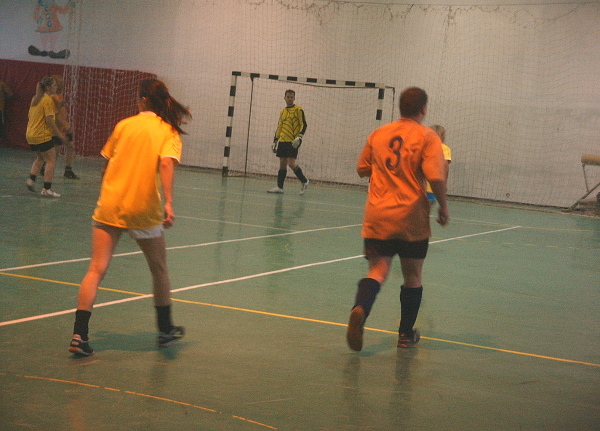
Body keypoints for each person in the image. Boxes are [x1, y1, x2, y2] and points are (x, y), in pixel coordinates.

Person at [68, 78, 191, 356]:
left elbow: (107, 164)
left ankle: (79, 335)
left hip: (110, 204)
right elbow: (166, 163)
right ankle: (165, 329)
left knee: (95, 270)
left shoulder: (123, 125)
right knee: (159, 269)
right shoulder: (168, 130)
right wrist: (169, 203)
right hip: (142, 208)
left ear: (143, 100)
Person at [346, 87, 449, 352]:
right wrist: (443, 207)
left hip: (378, 214)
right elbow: (436, 176)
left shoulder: (379, 134)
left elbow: (362, 169)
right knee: (412, 276)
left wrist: (385, 172)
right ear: (423, 109)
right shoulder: (428, 137)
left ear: (400, 108)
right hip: (411, 218)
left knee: (377, 271)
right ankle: (405, 335)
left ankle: (360, 308)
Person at [25, 76, 67, 198]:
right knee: (51, 160)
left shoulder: (35, 98)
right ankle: (47, 189)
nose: (56, 87)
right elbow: (49, 120)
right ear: (48, 88)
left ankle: (31, 180)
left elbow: (30, 116)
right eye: (54, 85)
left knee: (40, 158)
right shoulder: (47, 100)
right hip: (41, 135)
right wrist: (60, 134)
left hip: (30, 135)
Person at [268, 89, 309, 195]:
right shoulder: (283, 111)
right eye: (288, 97)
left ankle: (304, 181)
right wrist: (275, 140)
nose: (289, 99)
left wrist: (299, 137)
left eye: (291, 97)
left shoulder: (298, 109)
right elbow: (280, 126)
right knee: (282, 163)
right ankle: (280, 187)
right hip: (283, 140)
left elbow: (304, 124)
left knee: (291, 163)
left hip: (293, 141)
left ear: (294, 98)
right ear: (284, 98)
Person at [426, 124, 451, 204]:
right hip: (433, 183)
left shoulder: (424, 147)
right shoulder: (444, 148)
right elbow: (445, 167)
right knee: (427, 205)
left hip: (421, 183)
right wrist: (444, 183)